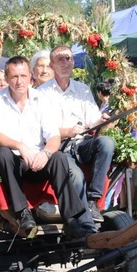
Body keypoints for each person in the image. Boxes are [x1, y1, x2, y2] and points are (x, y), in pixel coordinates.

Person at [0, 56, 97, 240]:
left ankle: (72, 218)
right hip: (14, 163)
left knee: (59, 157)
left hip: (39, 160)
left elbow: (53, 136)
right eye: (14, 77)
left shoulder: (41, 100)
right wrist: (19, 146)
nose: (19, 81)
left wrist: (45, 153)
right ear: (6, 78)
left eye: (23, 76)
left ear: (30, 77)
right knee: (2, 154)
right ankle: (23, 213)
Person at [38, 45, 115, 223]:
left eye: (69, 59)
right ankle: (83, 221)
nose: (66, 63)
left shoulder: (83, 89)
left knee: (107, 142)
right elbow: (41, 130)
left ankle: (93, 200)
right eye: (60, 59)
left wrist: (102, 120)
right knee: (77, 176)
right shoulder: (41, 94)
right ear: (51, 66)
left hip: (81, 144)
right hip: (58, 147)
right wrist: (67, 131)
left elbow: (93, 122)